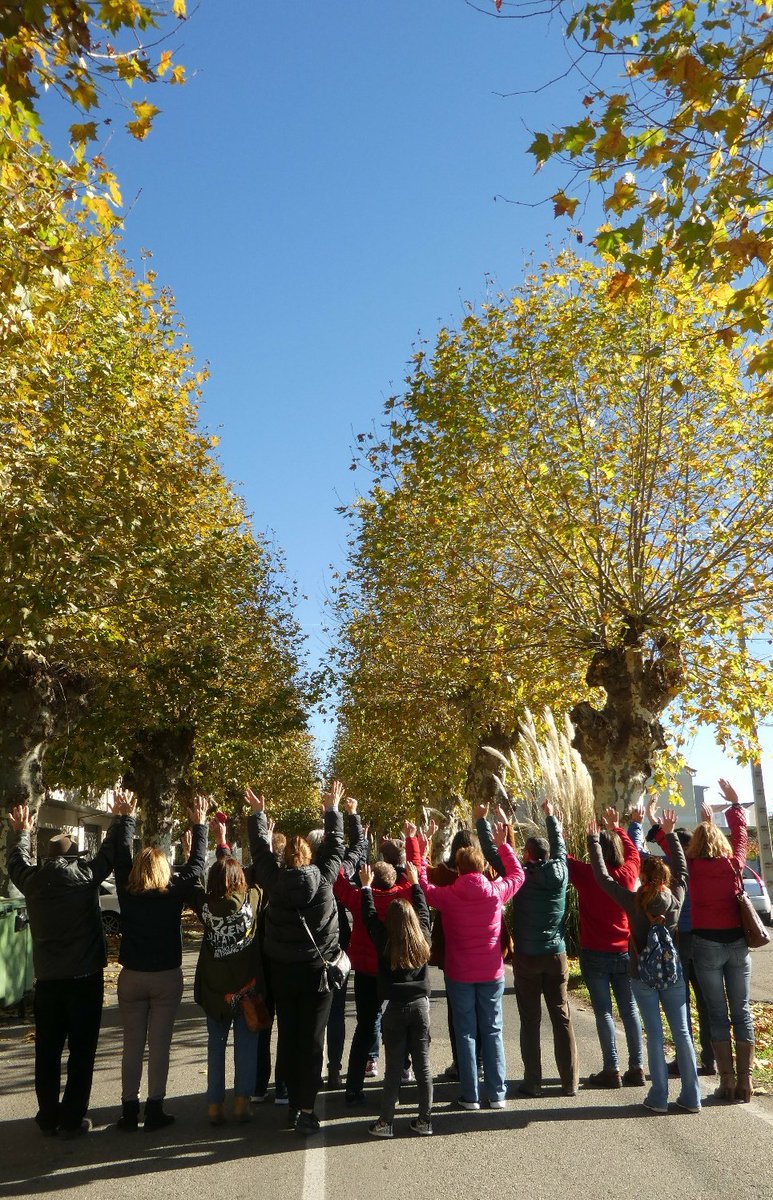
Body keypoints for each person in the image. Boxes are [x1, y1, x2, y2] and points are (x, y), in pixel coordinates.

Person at [6, 793, 129, 1137]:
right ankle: (73, 1117)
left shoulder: (33, 882)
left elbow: (14, 861)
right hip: (84, 977)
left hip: (48, 980)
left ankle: (47, 1116)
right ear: (75, 856)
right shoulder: (86, 877)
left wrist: (20, 831)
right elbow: (110, 852)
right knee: (81, 1053)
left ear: (46, 857)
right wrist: (120, 817)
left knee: (47, 1052)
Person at [588, 808, 701, 1115]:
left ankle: (659, 1096)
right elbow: (683, 869)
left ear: (642, 877)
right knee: (681, 1032)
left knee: (654, 1034)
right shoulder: (676, 897)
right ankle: (691, 1097)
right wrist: (668, 832)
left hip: (642, 974)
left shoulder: (634, 902)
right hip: (673, 973)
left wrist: (595, 841)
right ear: (664, 878)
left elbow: (602, 878)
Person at [246, 781, 345, 1135]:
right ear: (309, 857)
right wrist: (332, 811)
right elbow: (336, 847)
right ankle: (306, 1108)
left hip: (283, 971)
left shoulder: (273, 880)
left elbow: (259, 850)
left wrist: (259, 815)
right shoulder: (324, 879)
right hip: (318, 972)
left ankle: (288, 1101)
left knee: (288, 1033)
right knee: (313, 1039)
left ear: (285, 857)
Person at [113, 795, 208, 1131]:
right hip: (166, 975)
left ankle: (128, 1109)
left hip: (132, 975)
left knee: (132, 1045)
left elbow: (121, 857)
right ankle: (154, 1107)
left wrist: (125, 818)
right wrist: (200, 825)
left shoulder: (127, 891)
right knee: (160, 1046)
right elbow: (197, 865)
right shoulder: (173, 891)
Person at [417, 819, 524, 1109]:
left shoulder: (449, 895)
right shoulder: (495, 891)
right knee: (492, 1029)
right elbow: (517, 874)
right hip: (491, 971)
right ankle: (498, 1093)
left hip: (460, 972)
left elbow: (422, 883)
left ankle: (471, 1094)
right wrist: (503, 845)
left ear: (459, 866)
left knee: (465, 1032)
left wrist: (419, 849)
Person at [477, 799, 579, 1098]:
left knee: (530, 1019)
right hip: (556, 953)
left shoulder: (519, 875)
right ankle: (569, 1082)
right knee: (561, 1016)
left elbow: (493, 855)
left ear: (527, 854)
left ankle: (533, 1082)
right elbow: (559, 846)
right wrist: (550, 817)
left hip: (527, 957)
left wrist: (483, 822)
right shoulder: (561, 871)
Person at [334, 816, 413, 1106]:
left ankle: (353, 1087)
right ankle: (403, 1071)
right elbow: (415, 883)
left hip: (367, 972)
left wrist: (350, 857)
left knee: (365, 1026)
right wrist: (411, 849)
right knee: (401, 1021)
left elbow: (338, 881)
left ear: (369, 878)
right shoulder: (402, 897)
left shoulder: (358, 898)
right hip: (394, 970)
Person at [685, 779, 754, 1101]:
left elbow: (671, 848)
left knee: (716, 1012)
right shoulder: (734, 865)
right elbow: (740, 838)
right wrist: (736, 806)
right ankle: (746, 1081)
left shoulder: (693, 867)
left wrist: (661, 827)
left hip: (706, 946)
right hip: (738, 945)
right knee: (741, 1011)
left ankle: (726, 1081)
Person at [566, 805, 645, 1088]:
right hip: (624, 950)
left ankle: (611, 1068)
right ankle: (637, 1066)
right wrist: (618, 828)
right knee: (630, 1010)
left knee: (604, 1011)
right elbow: (634, 852)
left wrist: (560, 831)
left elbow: (565, 859)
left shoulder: (588, 874)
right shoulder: (627, 873)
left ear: (596, 851)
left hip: (594, 952)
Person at [642, 798, 715, 1078]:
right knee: (708, 1000)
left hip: (681, 940)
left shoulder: (676, 867)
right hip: (704, 938)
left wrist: (651, 820)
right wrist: (706, 824)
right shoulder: (703, 865)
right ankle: (711, 1058)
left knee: (680, 999)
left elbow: (664, 845)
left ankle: (685, 1058)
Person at [360, 861, 433, 1138]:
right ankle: (425, 1119)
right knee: (423, 1066)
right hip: (421, 1006)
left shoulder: (385, 942)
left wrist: (366, 887)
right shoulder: (423, 938)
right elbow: (424, 913)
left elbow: (368, 917)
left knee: (393, 1068)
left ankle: (385, 1122)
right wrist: (415, 884)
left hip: (394, 1008)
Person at [191, 854, 266, 1125]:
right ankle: (242, 1103)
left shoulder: (205, 906)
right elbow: (260, 874)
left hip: (215, 990)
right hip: (248, 989)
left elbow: (192, 881)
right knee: (247, 1046)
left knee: (215, 1047)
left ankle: (213, 1105)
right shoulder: (251, 900)